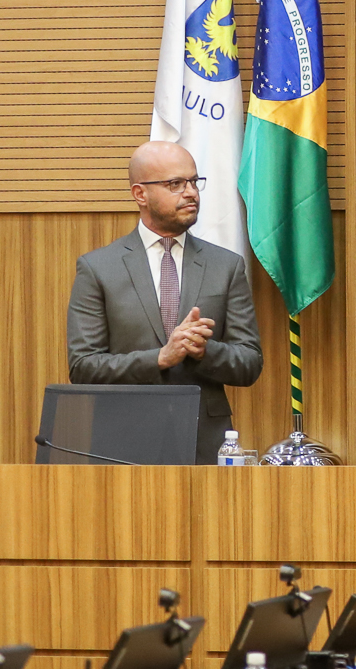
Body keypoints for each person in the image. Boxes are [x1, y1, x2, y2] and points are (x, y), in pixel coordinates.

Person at [67, 141, 263, 463]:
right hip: (124, 439)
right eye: (175, 184)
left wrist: (204, 351)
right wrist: (160, 357)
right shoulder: (98, 268)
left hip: (206, 441)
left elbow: (250, 363)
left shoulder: (226, 266)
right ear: (140, 194)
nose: (191, 193)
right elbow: (83, 366)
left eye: (194, 182)